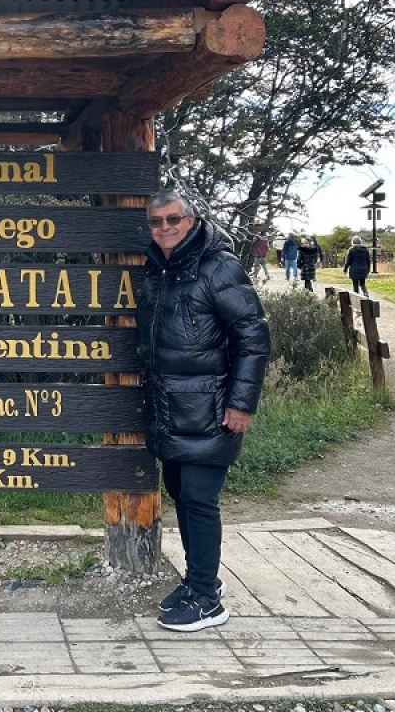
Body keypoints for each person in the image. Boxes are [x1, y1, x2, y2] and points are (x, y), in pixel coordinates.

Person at [137, 191, 270, 632]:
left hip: (211, 409)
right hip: (167, 406)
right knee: (182, 494)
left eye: (172, 219)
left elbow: (253, 337)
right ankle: (200, 583)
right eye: (156, 222)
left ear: (191, 221)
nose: (164, 228)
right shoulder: (158, 269)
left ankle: (207, 601)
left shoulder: (219, 267)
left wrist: (241, 404)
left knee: (198, 499)